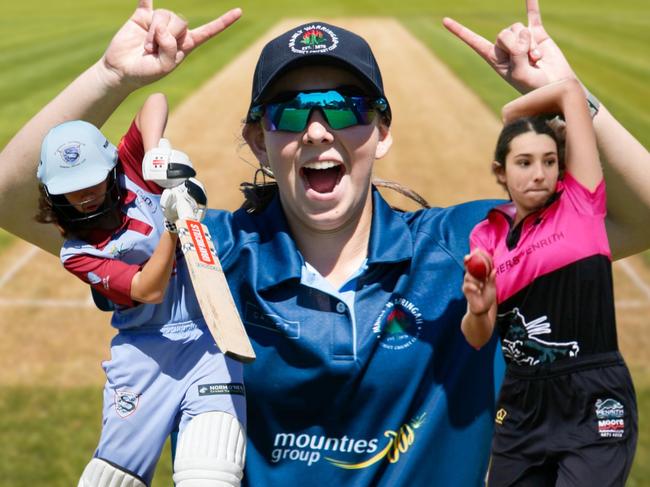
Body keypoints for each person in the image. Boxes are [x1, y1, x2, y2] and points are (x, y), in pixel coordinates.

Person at [0, 0, 647, 485]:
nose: (316, 130)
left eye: (343, 107)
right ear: (259, 140)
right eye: (288, 111)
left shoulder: (466, 245)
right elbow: (13, 195)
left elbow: (636, 217)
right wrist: (112, 77)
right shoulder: (207, 253)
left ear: (381, 131)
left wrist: (570, 97)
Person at [35, 93, 246, 487]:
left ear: (110, 165)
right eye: (71, 188)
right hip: (144, 353)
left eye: (92, 179)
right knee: (112, 481)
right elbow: (147, 290)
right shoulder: (76, 252)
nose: (85, 194)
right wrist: (175, 224)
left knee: (213, 472)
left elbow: (155, 100)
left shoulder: (130, 169)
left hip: (209, 339)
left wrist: (154, 158)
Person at [461, 79, 637, 485]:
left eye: (549, 161)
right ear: (500, 172)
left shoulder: (581, 201)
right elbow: (476, 337)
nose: (538, 174)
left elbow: (570, 92)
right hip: (521, 404)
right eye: (523, 162)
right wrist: (479, 308)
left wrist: (512, 116)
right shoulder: (485, 236)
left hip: (593, 396)